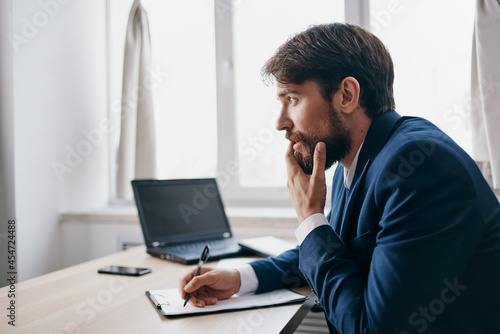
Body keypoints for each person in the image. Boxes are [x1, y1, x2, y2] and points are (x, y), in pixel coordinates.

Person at [178, 23, 500, 333]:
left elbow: (371, 329)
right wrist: (240, 277)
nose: (280, 123)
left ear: (346, 95)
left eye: (292, 99)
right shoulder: (360, 157)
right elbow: (336, 246)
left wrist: (309, 217)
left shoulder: (417, 168)